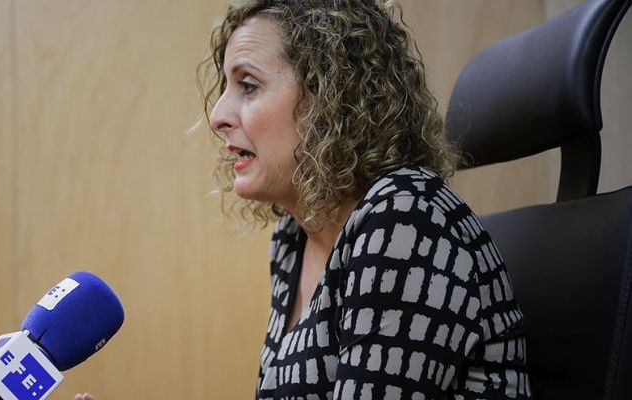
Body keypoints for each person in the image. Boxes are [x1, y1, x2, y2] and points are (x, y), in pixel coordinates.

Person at [198, 0, 532, 399]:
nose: (217, 115)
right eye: (226, 87)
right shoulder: (292, 237)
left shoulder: (407, 219)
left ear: (329, 96)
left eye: (248, 85)